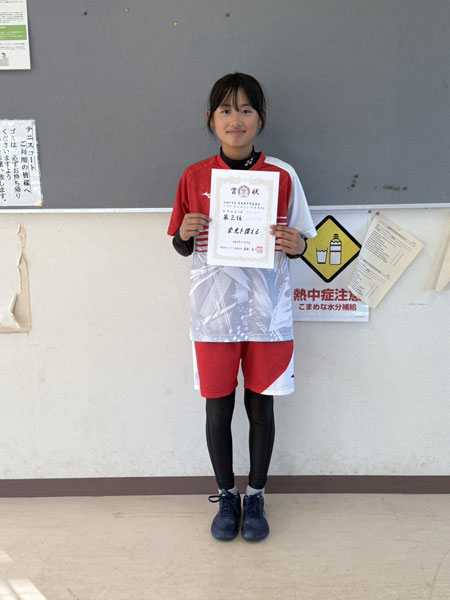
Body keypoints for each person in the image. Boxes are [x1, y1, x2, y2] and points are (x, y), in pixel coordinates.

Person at [167, 72, 316, 541]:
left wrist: (296, 245)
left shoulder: (283, 175)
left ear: (261, 118)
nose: (236, 119)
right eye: (226, 110)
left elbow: (303, 242)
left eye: (246, 109)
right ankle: (225, 495)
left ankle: (255, 495)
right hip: (213, 314)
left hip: (267, 313)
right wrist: (184, 233)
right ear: (211, 119)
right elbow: (180, 244)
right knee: (217, 408)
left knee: (261, 407)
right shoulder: (194, 176)